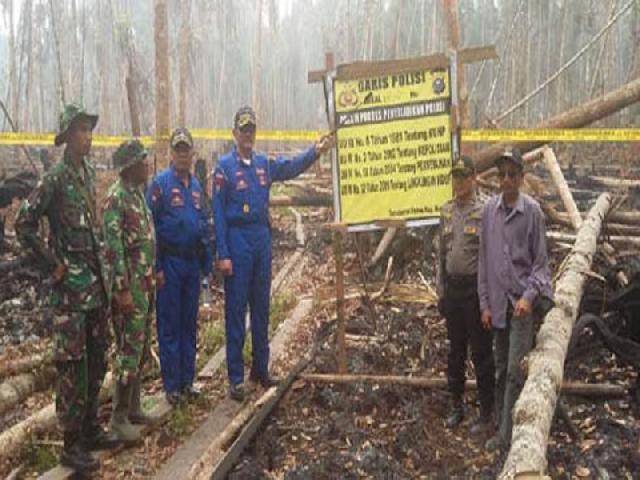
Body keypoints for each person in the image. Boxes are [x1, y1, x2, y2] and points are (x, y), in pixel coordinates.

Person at [16, 103, 119, 474]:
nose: (88, 137)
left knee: (95, 362)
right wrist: (51, 264)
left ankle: (91, 428)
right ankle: (70, 444)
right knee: (72, 369)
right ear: (67, 137)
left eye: (90, 130)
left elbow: (92, 231)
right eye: (81, 131)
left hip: (94, 288)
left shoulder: (89, 174)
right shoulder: (54, 179)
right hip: (70, 296)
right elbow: (24, 225)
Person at [213, 106, 334, 401]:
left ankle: (260, 369)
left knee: (261, 307)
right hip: (237, 239)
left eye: (252, 130)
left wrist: (315, 151)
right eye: (243, 130)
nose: (248, 135)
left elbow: (290, 167)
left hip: (260, 239)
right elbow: (217, 214)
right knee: (236, 309)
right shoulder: (224, 168)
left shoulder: (263, 164)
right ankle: (236, 378)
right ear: (234, 134)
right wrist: (223, 253)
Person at [478, 147, 553, 451]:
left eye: (512, 175)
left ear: (522, 178)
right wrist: (484, 304)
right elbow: (484, 261)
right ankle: (500, 422)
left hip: (521, 306)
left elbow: (541, 265)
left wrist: (529, 296)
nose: (506, 180)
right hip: (497, 304)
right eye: (502, 175)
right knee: (499, 368)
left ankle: (508, 437)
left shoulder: (532, 212)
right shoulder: (489, 212)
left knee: (513, 371)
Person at [146, 128, 213, 406]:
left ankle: (187, 381)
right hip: (170, 263)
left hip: (191, 264)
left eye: (187, 150)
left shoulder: (196, 187)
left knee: (189, 323)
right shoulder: (160, 185)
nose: (183, 155)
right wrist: (157, 266)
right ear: (172, 154)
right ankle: (172, 385)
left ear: (192, 153)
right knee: (170, 325)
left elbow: (204, 224)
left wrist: (206, 263)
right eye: (178, 150)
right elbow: (149, 229)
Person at [103, 139, 157, 444]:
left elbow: (143, 239)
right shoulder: (116, 199)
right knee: (128, 349)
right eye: (142, 161)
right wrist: (122, 290)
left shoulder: (137, 195)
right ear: (129, 167)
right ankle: (119, 417)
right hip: (129, 289)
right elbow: (114, 250)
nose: (146, 164)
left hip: (144, 283)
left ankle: (135, 407)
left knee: (140, 346)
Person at [437, 156, 494, 432]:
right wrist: (441, 292)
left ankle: (486, 412)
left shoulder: (485, 212)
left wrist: (488, 300)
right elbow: (440, 255)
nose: (458, 183)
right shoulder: (446, 211)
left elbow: (490, 258)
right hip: (453, 291)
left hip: (475, 292)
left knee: (481, 352)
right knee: (455, 352)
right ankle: (456, 406)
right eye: (455, 177)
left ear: (473, 178)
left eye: (463, 177)